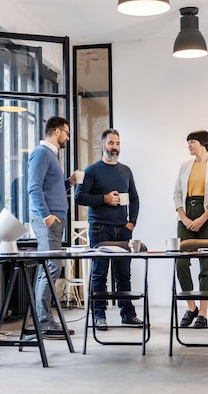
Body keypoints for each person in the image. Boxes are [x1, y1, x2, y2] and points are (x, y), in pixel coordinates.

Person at [75, 128, 143, 330]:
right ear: (102, 145)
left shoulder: (126, 171)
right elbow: (79, 197)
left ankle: (128, 315)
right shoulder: (92, 171)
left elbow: (135, 198)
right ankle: (99, 315)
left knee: (124, 274)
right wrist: (103, 198)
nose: (115, 147)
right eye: (111, 143)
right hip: (99, 229)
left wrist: (132, 222)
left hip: (123, 230)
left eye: (118, 143)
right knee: (99, 274)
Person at [27, 116, 77, 336]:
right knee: (52, 266)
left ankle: (44, 319)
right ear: (57, 131)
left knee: (49, 267)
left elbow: (51, 186)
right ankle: (45, 322)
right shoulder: (41, 153)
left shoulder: (52, 156)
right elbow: (33, 187)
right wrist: (46, 216)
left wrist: (69, 182)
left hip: (55, 219)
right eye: (67, 133)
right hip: (48, 220)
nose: (68, 137)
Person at [173, 130, 208, 328]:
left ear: (203, 143)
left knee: (206, 267)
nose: (189, 145)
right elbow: (177, 193)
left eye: (192, 141)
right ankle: (191, 307)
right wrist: (184, 217)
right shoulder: (184, 166)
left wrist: (202, 219)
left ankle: (203, 313)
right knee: (181, 263)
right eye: (188, 142)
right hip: (186, 215)